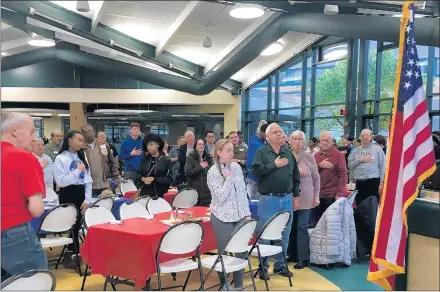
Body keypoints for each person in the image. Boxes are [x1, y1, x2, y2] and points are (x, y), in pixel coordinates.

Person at [1, 113, 48, 282]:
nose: (34, 139)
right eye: (32, 132)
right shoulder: (25, 158)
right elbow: (36, 209)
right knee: (36, 282)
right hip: (15, 233)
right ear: (14, 130)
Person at [252, 123, 300, 279]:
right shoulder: (262, 152)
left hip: (286, 199)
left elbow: (295, 176)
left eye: (281, 132)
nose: (281, 134)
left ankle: (280, 265)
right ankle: (264, 267)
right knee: (265, 234)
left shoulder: (288, 153)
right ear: (268, 136)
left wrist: (296, 196)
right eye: (276, 132)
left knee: (284, 234)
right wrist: (274, 165)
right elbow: (256, 171)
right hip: (268, 199)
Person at [207, 139, 251, 291]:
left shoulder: (237, 167)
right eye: (228, 151)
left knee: (241, 250)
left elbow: (242, 192)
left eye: (233, 150)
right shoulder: (213, 172)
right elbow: (220, 197)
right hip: (221, 216)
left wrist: (247, 213)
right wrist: (228, 178)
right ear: (219, 152)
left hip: (239, 215)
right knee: (223, 252)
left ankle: (238, 285)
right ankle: (224, 284)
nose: (232, 153)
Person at [54, 130, 93, 272]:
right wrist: (77, 171)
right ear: (69, 140)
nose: (81, 142)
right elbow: (61, 182)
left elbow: (88, 180)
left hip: (81, 193)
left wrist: (87, 200)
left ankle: (72, 255)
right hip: (67, 193)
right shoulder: (60, 158)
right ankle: (74, 257)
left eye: (82, 140)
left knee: (77, 227)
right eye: (78, 139)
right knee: (72, 227)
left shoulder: (82, 157)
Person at [287, 131, 320, 269]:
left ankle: (303, 257)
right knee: (290, 226)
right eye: (294, 139)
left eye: (299, 139)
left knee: (302, 226)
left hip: (306, 196)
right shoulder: (285, 156)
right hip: (289, 196)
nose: (296, 141)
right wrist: (295, 172)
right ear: (290, 141)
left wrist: (316, 195)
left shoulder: (309, 157)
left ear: (304, 142)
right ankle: (292, 253)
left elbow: (316, 178)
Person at [314, 131, 348, 222]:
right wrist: (319, 166)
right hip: (317, 195)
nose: (324, 142)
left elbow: (343, 175)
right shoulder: (316, 156)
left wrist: (340, 194)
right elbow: (311, 173)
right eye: (322, 140)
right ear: (319, 142)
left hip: (331, 196)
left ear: (332, 141)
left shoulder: (339, 155)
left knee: (331, 223)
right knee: (318, 224)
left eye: (327, 140)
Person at [348, 129, 386, 205]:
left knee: (371, 207)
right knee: (359, 206)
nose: (365, 137)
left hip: (373, 182)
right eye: (363, 136)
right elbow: (350, 166)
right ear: (360, 137)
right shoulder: (356, 150)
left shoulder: (378, 149)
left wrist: (381, 183)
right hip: (359, 183)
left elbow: (383, 167)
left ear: (371, 137)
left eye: (367, 135)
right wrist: (360, 160)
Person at [81, 124, 120, 197]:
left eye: (92, 130)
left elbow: (112, 162)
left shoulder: (103, 145)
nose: (91, 133)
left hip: (104, 183)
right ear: (83, 134)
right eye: (88, 131)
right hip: (88, 185)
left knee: (107, 203)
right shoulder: (81, 148)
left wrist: (116, 176)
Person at [185, 138, 214, 206]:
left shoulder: (208, 158)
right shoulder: (190, 158)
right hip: (194, 189)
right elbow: (188, 172)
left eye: (203, 144)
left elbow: (212, 173)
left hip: (207, 191)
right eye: (199, 144)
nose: (201, 146)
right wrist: (200, 167)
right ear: (196, 146)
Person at [246, 123, 268, 200]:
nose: (268, 136)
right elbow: (249, 163)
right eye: (267, 134)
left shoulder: (266, 144)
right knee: (255, 202)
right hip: (255, 179)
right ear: (261, 132)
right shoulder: (255, 144)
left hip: (263, 180)